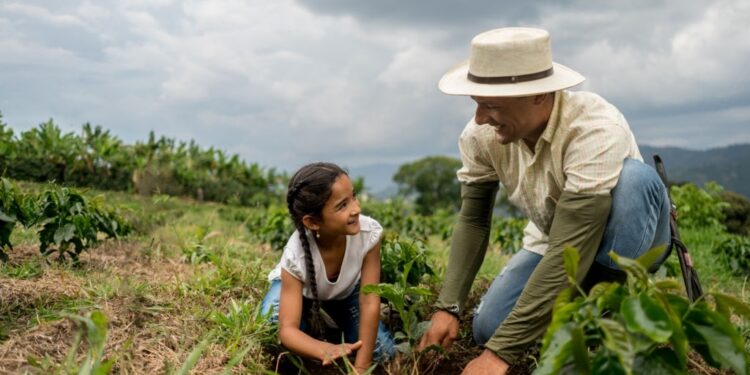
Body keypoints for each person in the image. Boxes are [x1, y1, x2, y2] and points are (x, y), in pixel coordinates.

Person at [417, 27, 671, 374]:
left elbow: (575, 245)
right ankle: (575, 312)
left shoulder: (593, 127)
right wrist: (449, 306)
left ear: (539, 95)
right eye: (477, 103)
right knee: (488, 327)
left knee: (634, 180)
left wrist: (498, 356)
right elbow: (474, 220)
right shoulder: (481, 136)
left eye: (491, 105)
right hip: (553, 238)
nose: (480, 117)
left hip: (628, 237)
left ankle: (613, 297)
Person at [261, 162, 396, 373]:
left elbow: (369, 302)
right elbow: (287, 329)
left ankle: (331, 317)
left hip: (345, 293)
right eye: (343, 205)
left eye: (354, 196)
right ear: (313, 222)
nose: (356, 209)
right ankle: (310, 324)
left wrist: (361, 368)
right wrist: (322, 348)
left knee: (383, 352)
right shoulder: (296, 255)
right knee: (272, 326)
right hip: (302, 294)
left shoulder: (368, 235)